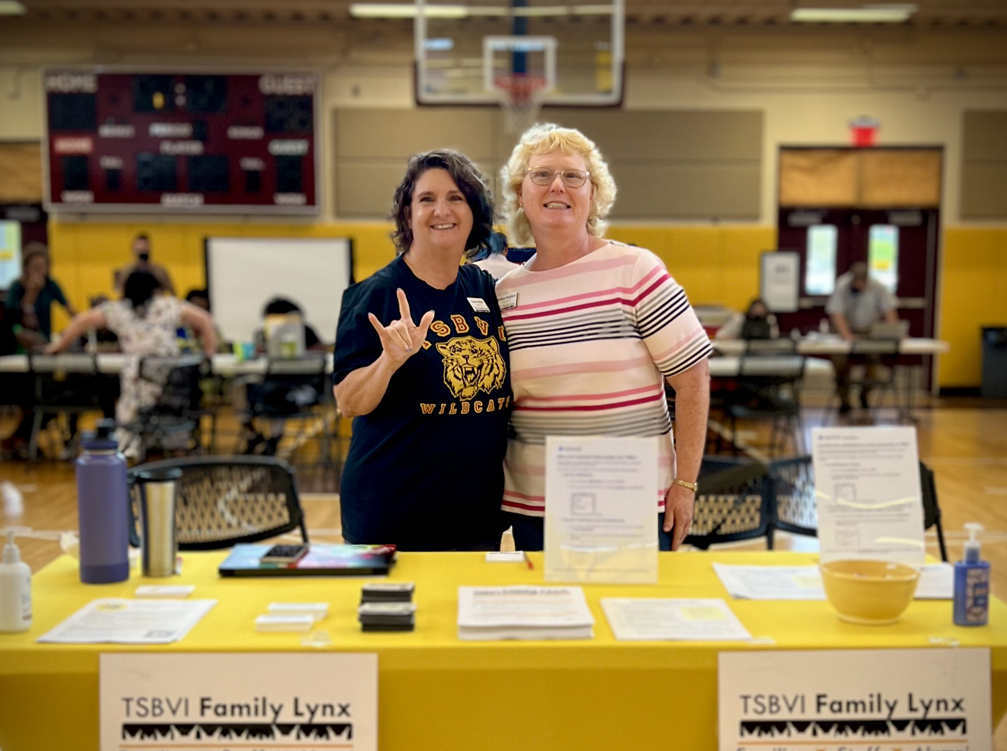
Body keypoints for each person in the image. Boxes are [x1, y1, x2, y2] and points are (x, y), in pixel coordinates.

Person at [496, 123, 712, 552]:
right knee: (552, 620)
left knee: (624, 618)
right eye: (541, 175)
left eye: (573, 176)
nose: (557, 185)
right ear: (521, 194)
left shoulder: (635, 269)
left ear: (593, 193)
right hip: (536, 507)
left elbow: (693, 379)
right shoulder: (505, 293)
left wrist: (685, 482)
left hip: (627, 499)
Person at [332, 149, 510, 551]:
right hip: (393, 516)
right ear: (408, 215)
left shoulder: (482, 288)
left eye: (455, 198)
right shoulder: (375, 295)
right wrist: (388, 362)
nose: (440, 210)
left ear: (473, 213)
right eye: (426, 199)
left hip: (475, 516)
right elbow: (348, 401)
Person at [45, 271, 216, 459]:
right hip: (172, 391)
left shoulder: (120, 310)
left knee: (123, 407)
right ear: (155, 289)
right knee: (169, 413)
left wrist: (57, 347)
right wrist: (208, 354)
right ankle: (175, 449)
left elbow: (80, 321)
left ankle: (128, 452)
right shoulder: (168, 305)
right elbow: (206, 320)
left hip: (137, 394)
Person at [237, 297, 327, 456]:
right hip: (273, 384)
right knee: (240, 386)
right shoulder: (265, 332)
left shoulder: (304, 330)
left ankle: (273, 441)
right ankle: (254, 435)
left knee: (278, 396)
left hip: (299, 386)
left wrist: (302, 354)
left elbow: (321, 351)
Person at [826, 261, 899, 415]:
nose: (859, 285)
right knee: (840, 364)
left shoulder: (878, 287)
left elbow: (889, 310)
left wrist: (894, 331)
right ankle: (844, 401)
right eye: (856, 282)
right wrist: (847, 336)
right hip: (845, 331)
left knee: (874, 367)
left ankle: (864, 395)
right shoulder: (842, 285)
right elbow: (837, 314)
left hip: (868, 332)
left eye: (862, 282)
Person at [0, 305, 50, 457]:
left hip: (3, 384)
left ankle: (18, 439)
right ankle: (18, 440)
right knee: (43, 403)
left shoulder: (11, 330)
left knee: (41, 401)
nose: (34, 318)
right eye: (30, 315)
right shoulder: (15, 330)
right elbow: (42, 341)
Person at [5, 243, 74, 341]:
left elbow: (68, 308)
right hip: (18, 342)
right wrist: (31, 292)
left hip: (44, 339)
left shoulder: (51, 285)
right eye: (36, 267)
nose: (40, 272)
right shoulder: (16, 286)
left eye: (43, 267)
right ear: (27, 268)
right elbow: (13, 317)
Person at [716, 298, 780, 341]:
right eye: (756, 308)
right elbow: (720, 335)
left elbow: (774, 337)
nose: (758, 311)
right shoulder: (740, 319)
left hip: (764, 350)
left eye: (761, 309)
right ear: (751, 309)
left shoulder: (770, 320)